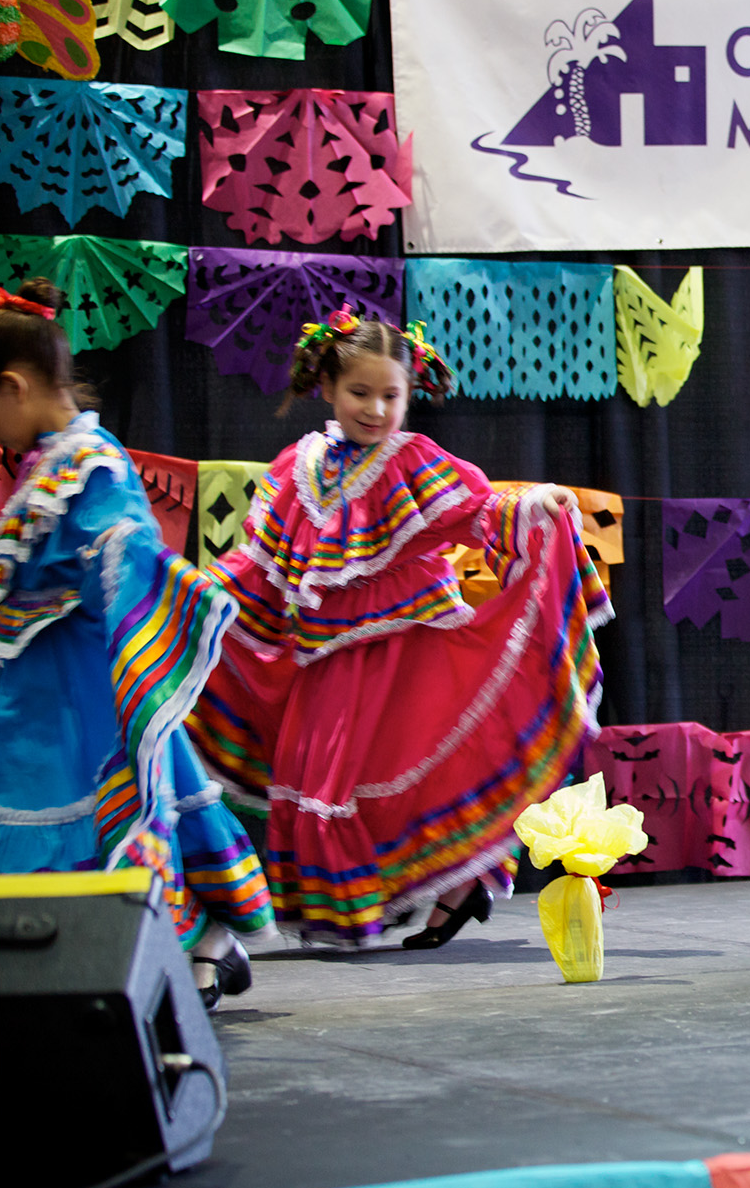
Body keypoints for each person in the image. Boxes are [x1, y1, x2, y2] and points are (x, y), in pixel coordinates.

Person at [185, 309, 612, 948]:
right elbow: (264, 564)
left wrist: (531, 503)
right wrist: (202, 593)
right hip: (325, 657)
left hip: (407, 653)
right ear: (327, 386)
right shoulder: (298, 469)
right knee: (318, 778)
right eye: (361, 392)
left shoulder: (411, 461)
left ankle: (451, 887)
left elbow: (477, 510)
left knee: (403, 772)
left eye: (392, 395)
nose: (377, 409)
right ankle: (442, 890)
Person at [0, 283, 273, 1006]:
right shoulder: (45, 463)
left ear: (15, 386)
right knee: (41, 804)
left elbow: (126, 545)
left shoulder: (92, 460)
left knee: (79, 803)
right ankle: (196, 940)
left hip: (83, 683)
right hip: (43, 685)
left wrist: (139, 573)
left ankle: (198, 939)